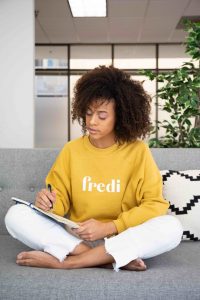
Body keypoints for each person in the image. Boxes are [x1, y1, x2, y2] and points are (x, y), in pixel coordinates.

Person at [5, 65, 183, 272]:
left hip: (123, 236)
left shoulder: (138, 151)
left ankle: (70, 262)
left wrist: (109, 227)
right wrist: (49, 203)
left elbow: (154, 204)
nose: (91, 121)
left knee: (172, 228)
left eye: (101, 115)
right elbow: (60, 200)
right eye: (88, 113)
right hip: (77, 239)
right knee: (15, 215)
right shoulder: (72, 150)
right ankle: (104, 258)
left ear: (120, 116)